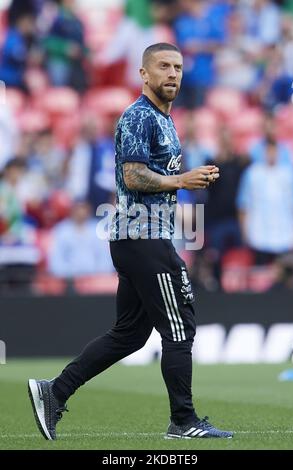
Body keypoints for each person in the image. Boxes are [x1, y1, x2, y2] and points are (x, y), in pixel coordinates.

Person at [28, 42, 233, 440]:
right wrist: (182, 180)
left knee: (129, 334)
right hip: (144, 237)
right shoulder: (138, 117)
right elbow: (134, 175)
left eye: (177, 67)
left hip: (138, 237)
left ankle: (54, 391)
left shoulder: (164, 118)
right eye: (163, 66)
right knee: (179, 327)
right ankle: (184, 421)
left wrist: (186, 179)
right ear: (143, 74)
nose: (172, 73)